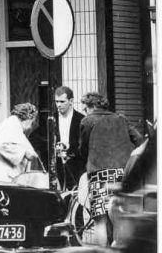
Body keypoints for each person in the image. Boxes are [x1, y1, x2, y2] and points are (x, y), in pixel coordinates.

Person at [78, 92, 143, 244]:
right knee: (120, 216)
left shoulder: (87, 121)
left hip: (99, 174)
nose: (84, 111)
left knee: (100, 220)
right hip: (123, 173)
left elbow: (82, 150)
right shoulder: (121, 119)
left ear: (92, 106)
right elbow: (139, 139)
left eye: (85, 108)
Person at [0, 102, 40, 184]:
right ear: (29, 117)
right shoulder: (12, 126)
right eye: (31, 122)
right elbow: (2, 147)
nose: (30, 126)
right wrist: (24, 152)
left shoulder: (13, 125)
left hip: (4, 176)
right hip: (4, 177)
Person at [47, 86, 86, 190]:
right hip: (56, 167)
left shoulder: (81, 119)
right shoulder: (51, 119)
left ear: (71, 101)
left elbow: (84, 144)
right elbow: (38, 139)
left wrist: (69, 149)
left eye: (62, 101)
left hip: (76, 166)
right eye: (56, 101)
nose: (58, 105)